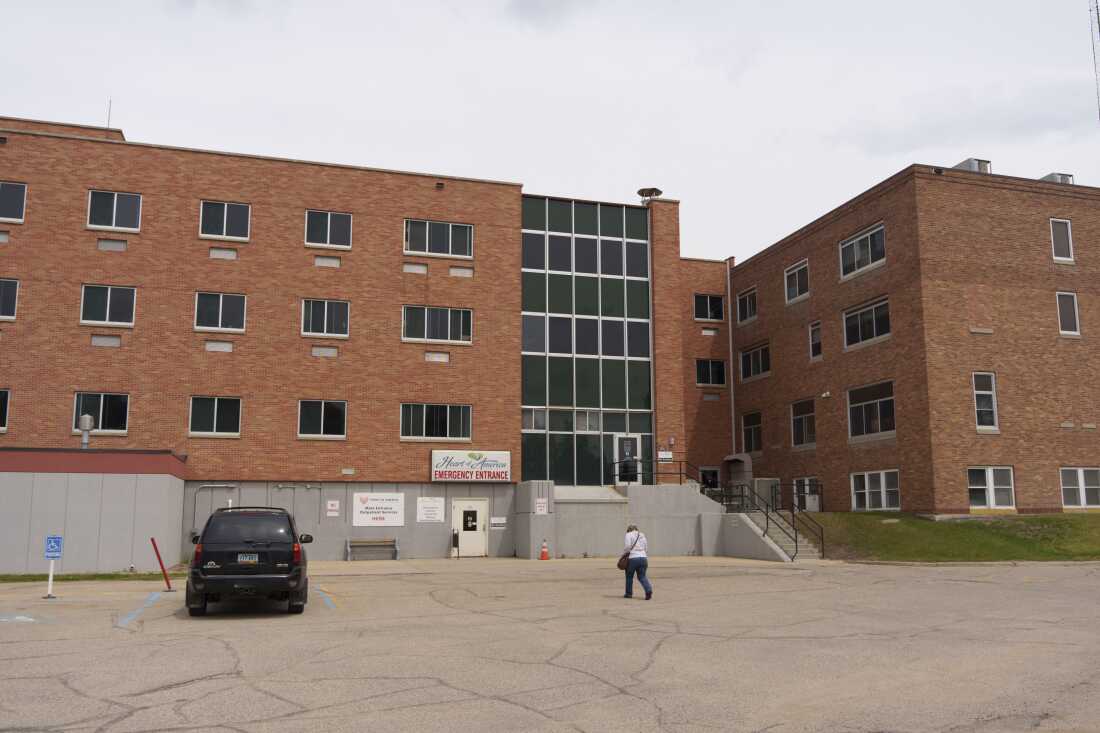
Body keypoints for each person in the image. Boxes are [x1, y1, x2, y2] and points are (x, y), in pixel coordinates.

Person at [623, 524, 652, 600]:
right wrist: (643, 554)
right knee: (642, 576)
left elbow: (627, 546)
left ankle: (628, 594)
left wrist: (625, 554)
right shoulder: (642, 535)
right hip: (643, 558)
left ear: (629, 529)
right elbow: (646, 547)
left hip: (633, 558)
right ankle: (648, 590)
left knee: (629, 576)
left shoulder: (628, 535)